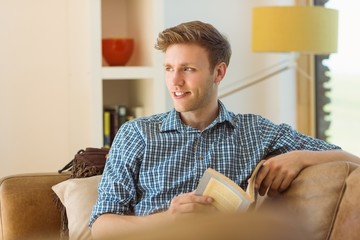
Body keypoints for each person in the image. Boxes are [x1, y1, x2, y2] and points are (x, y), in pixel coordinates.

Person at [89, 20, 360, 239]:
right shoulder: (136, 134)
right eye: (169, 68)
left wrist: (300, 157)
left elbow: (351, 160)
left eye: (188, 69)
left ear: (218, 73)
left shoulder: (256, 132)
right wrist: (169, 220)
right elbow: (101, 227)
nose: (175, 81)